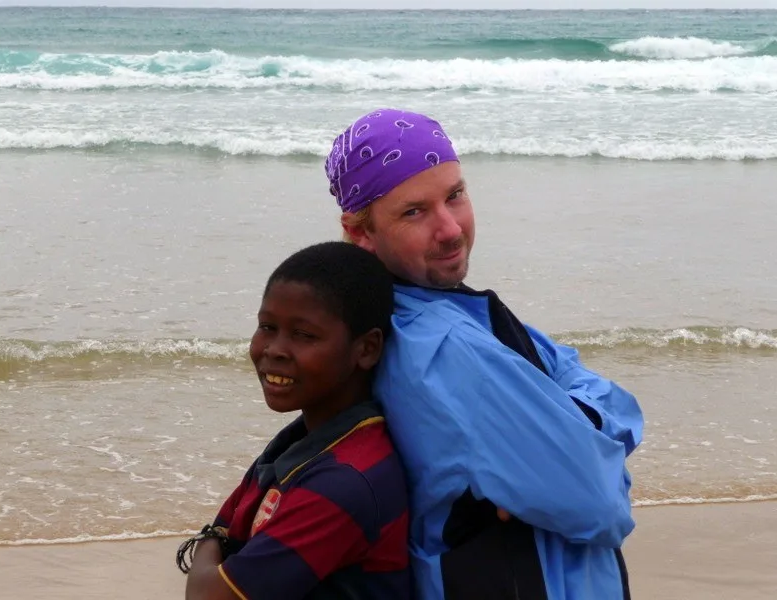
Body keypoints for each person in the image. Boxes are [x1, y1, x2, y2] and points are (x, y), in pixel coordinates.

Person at [324, 108, 645, 600]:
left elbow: (575, 372)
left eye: (455, 195)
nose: (450, 229)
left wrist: (580, 429)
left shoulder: (431, 313)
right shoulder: (445, 347)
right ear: (361, 233)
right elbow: (603, 505)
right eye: (414, 212)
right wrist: (592, 448)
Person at [179, 241, 411, 600]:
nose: (274, 349)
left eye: (303, 335)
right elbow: (229, 526)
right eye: (267, 326)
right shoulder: (303, 441)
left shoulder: (346, 482)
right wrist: (218, 538)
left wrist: (210, 539)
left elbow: (207, 595)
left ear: (366, 348)